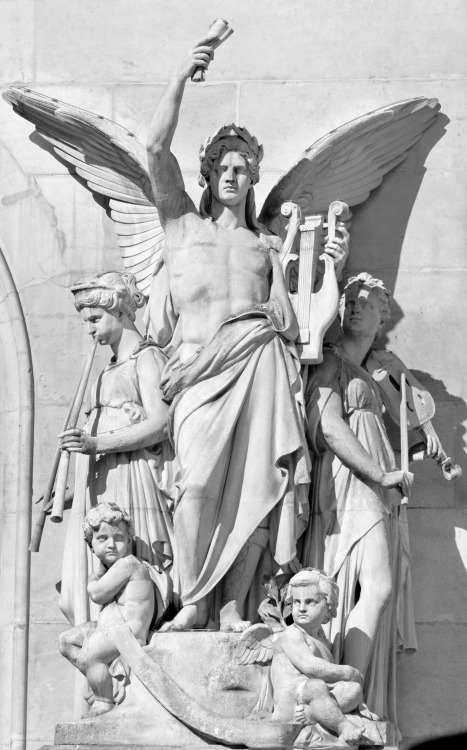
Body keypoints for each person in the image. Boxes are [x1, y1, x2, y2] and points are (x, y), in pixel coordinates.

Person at [145, 38, 349, 632]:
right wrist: (183, 72)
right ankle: (192, 602)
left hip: (260, 366)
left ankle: (232, 607)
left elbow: (297, 325)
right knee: (198, 486)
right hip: (199, 377)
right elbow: (154, 148)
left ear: (253, 178)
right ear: (207, 175)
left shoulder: (265, 247)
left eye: (244, 169)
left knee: (257, 487)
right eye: (223, 167)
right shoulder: (182, 226)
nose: (233, 176)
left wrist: (326, 270)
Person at [304, 272, 437, 729]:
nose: (355, 307)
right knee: (375, 584)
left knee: (378, 585)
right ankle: (346, 687)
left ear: (383, 316)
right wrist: (379, 471)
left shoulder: (368, 371)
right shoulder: (330, 362)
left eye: (367, 302)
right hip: (349, 482)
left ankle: (350, 685)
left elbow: (412, 423)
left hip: (375, 483)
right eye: (349, 300)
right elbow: (328, 424)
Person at [58, 271, 175, 628]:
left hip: (134, 478)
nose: (90, 328)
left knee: (129, 583)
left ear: (120, 311)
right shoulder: (106, 371)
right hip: (104, 486)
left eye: (95, 319)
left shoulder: (147, 358)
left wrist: (96, 443)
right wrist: (69, 495)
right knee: (75, 597)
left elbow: (161, 423)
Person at [59, 502, 155, 717]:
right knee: (66, 641)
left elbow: (97, 594)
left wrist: (95, 575)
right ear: (91, 545)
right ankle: (102, 684)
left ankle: (104, 702)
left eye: (119, 537)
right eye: (102, 538)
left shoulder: (128, 564)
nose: (112, 544)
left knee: (88, 657)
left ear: (129, 540)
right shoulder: (116, 567)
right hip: (111, 626)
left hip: (128, 631)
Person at [270, 569, 366, 744]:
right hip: (290, 699)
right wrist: (347, 671)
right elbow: (310, 667)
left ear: (328, 607)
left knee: (353, 690)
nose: (302, 608)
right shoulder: (292, 635)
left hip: (311, 697)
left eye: (311, 602)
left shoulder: (321, 639)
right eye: (296, 602)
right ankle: (343, 727)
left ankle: (310, 714)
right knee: (317, 686)